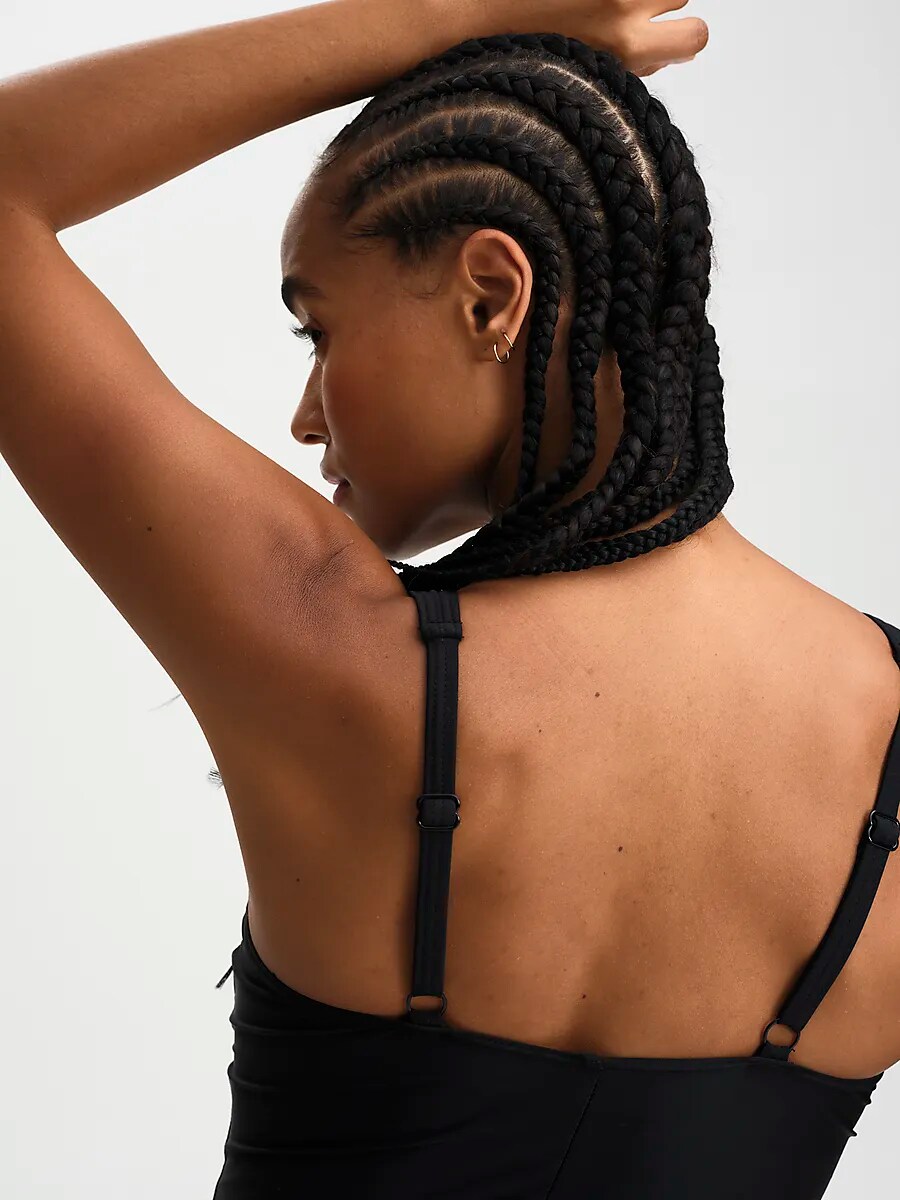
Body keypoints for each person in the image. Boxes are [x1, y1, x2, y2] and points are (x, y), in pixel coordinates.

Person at [0, 2, 897, 1197]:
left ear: (490, 298)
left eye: (317, 330)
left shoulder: (338, 655)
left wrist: (457, 12)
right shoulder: (887, 739)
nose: (305, 415)